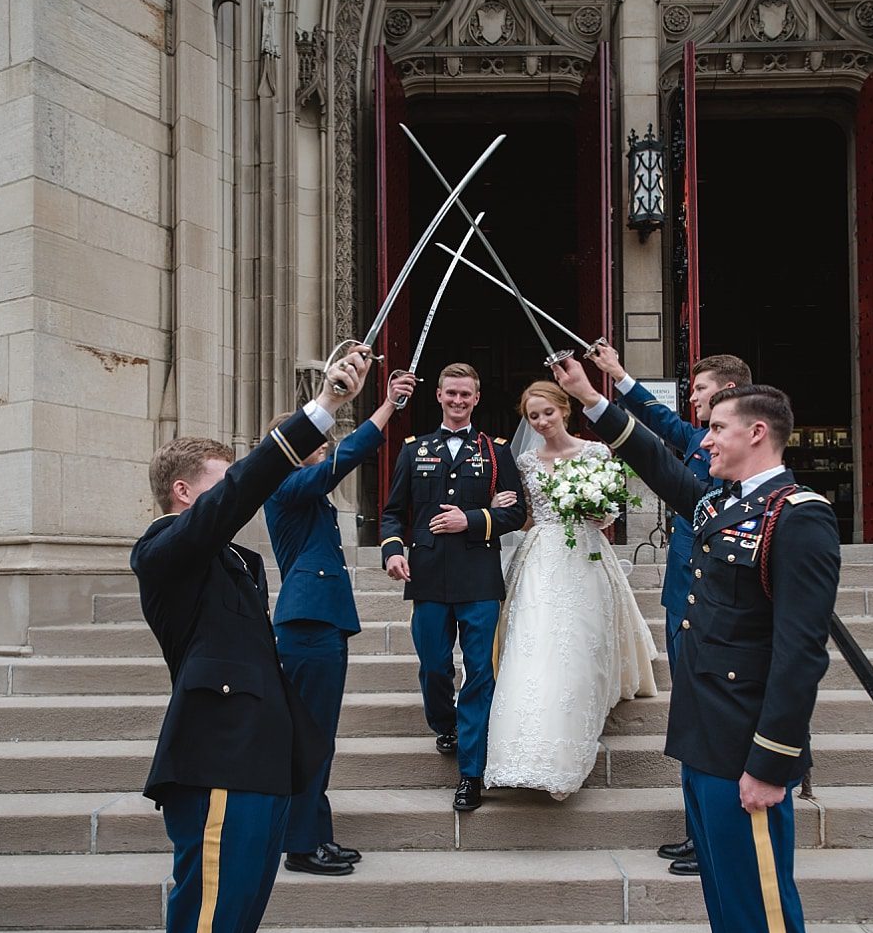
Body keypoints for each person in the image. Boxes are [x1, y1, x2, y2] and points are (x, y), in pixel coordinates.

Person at [552, 357, 841, 933]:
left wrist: (773, 763)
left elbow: (799, 652)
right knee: (730, 915)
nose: (701, 437)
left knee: (764, 921)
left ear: (756, 433)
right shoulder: (724, 502)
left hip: (749, 753)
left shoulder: (799, 514)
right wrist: (592, 399)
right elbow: (653, 458)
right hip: (707, 743)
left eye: (715, 427)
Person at [134, 344, 371, 933]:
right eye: (221, 480)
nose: (236, 490)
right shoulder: (165, 548)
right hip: (216, 768)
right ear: (184, 492)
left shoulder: (233, 561)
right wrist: (321, 410)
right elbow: (241, 495)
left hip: (260, 764)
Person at [587, 341, 753, 874]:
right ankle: (697, 832)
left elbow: (657, 438)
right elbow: (656, 425)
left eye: (701, 390)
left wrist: (601, 389)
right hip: (682, 600)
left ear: (728, 392)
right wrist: (616, 375)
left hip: (713, 609)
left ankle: (715, 840)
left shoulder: (737, 459)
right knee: (688, 722)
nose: (693, 401)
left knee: (709, 727)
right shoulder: (703, 441)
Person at [265, 366, 417, 876]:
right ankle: (302, 845)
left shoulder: (303, 490)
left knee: (318, 735)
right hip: (308, 622)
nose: (325, 444)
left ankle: (315, 834)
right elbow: (347, 457)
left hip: (320, 621)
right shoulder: (286, 485)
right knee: (311, 736)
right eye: (314, 440)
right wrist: (388, 406)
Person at [484, 379, 660, 798]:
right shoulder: (524, 461)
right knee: (536, 639)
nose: (542, 421)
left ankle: (570, 734)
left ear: (565, 408)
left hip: (585, 551)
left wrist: (601, 511)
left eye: (548, 412)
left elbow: (608, 515)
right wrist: (500, 513)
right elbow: (526, 518)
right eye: (533, 416)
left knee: (580, 639)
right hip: (541, 553)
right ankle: (526, 746)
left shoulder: (595, 452)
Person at [379, 362, 528, 812]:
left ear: (476, 398)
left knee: (480, 672)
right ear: (439, 396)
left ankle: (471, 773)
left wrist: (474, 519)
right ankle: (445, 723)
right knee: (434, 666)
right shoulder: (413, 450)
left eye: (466, 394)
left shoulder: (496, 451)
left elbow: (517, 513)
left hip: (479, 577)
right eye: (451, 394)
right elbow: (392, 512)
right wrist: (392, 551)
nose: (458, 401)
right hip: (426, 576)